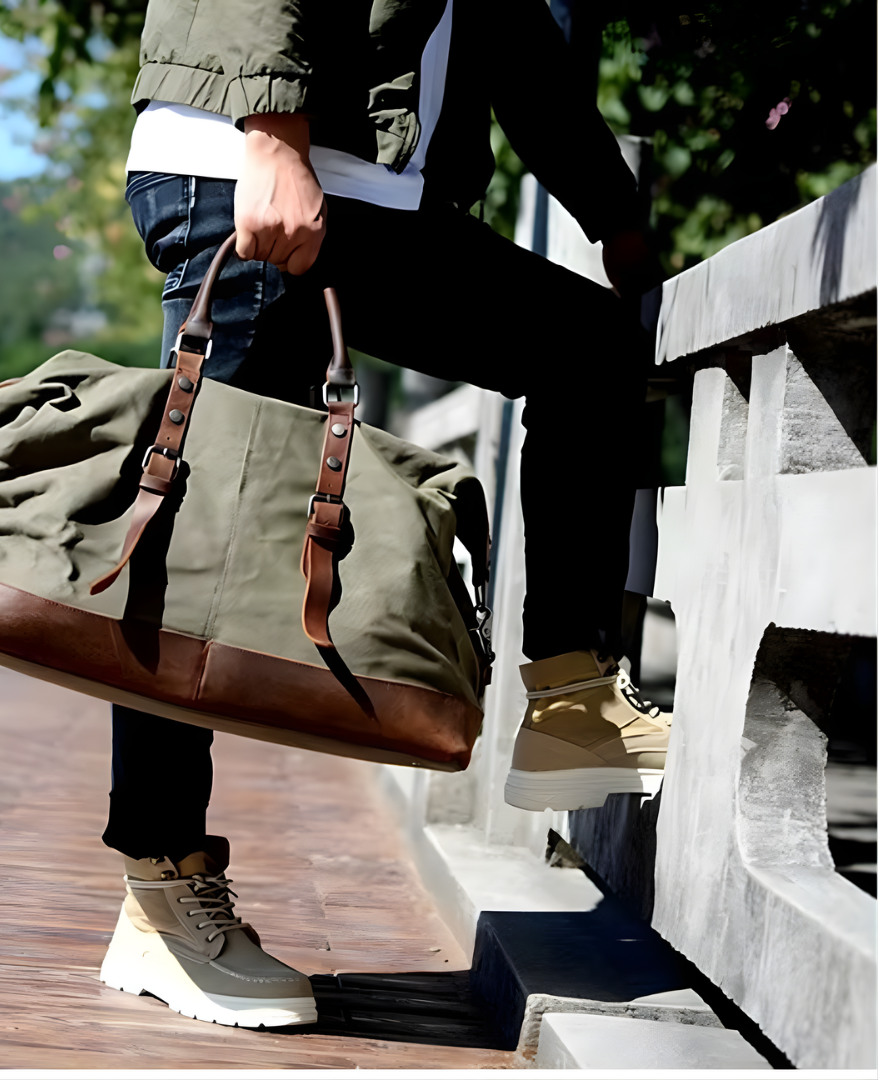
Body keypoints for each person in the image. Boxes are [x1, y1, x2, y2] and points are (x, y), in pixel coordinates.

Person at [97, 0, 671, 1029]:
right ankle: (160, 888)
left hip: (376, 196)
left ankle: (571, 695)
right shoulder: (266, 143)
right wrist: (272, 135)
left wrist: (616, 218)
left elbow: (515, 43)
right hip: (247, 160)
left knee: (587, 348)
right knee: (208, 531)